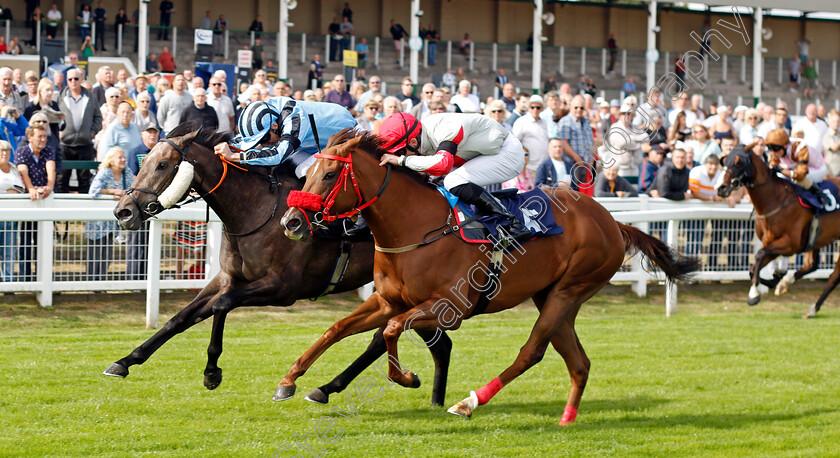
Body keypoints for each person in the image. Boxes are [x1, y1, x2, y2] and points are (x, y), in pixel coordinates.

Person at [378, 112, 530, 241]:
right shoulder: (420, 138)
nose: (396, 156)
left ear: (412, 141)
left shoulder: (444, 129)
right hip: (481, 154)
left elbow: (443, 165)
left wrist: (402, 160)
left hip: (507, 153)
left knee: (453, 180)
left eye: (398, 152)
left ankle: (512, 222)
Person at [213, 97, 357, 179]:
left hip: (347, 137)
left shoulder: (294, 118)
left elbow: (277, 155)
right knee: (288, 166)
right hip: (314, 144)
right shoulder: (269, 113)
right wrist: (225, 145)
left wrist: (234, 156)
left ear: (274, 125)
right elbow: (243, 139)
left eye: (263, 139)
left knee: (301, 169)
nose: (263, 145)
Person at [86, 146, 134, 281]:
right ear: (111, 160)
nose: (123, 160)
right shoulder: (104, 172)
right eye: (120, 157)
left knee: (107, 254)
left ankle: (101, 282)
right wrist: (112, 192)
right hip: (97, 222)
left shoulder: (127, 173)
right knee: (94, 254)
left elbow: (132, 190)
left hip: (113, 221)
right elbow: (93, 191)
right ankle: (91, 283)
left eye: (124, 157)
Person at [16, 125, 55, 281]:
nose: (43, 139)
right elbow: (23, 171)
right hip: (28, 203)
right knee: (25, 241)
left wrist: (49, 187)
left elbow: (51, 170)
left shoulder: (49, 150)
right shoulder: (22, 151)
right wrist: (31, 189)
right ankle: (25, 278)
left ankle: (43, 277)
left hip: (45, 201)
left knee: (44, 242)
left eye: (44, 136)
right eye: (40, 136)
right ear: (30, 137)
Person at [57, 68, 101, 193]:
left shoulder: (90, 96)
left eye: (76, 78)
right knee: (62, 178)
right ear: (66, 80)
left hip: (85, 143)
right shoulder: (60, 96)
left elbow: (98, 117)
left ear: (81, 79)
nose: (73, 81)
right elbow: (54, 115)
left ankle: (84, 210)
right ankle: (60, 210)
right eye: (70, 79)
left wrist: (92, 132)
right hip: (65, 144)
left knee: (84, 179)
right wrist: (59, 132)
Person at [765, 128, 829, 207]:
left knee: (797, 180)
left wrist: (781, 170)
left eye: (775, 149)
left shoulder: (800, 148)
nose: (772, 152)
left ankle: (821, 195)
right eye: (770, 148)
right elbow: (774, 163)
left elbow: (800, 174)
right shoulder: (779, 148)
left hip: (816, 169)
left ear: (785, 146)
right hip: (795, 167)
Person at [0, 140, 22, 282]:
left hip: (11, 217)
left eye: (7, 150)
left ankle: (8, 282)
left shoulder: (14, 168)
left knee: (9, 252)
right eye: (2, 150)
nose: (5, 153)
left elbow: (21, 188)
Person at [512, 94, 549, 173]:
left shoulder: (544, 122)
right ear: (528, 108)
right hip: (529, 167)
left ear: (542, 108)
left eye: (538, 107)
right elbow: (514, 142)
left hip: (543, 166)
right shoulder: (521, 122)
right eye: (532, 107)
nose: (535, 109)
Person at [823, 109, 840, 177]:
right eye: (834, 121)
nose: (836, 124)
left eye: (838, 121)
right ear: (829, 122)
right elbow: (834, 147)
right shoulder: (827, 135)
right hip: (832, 172)